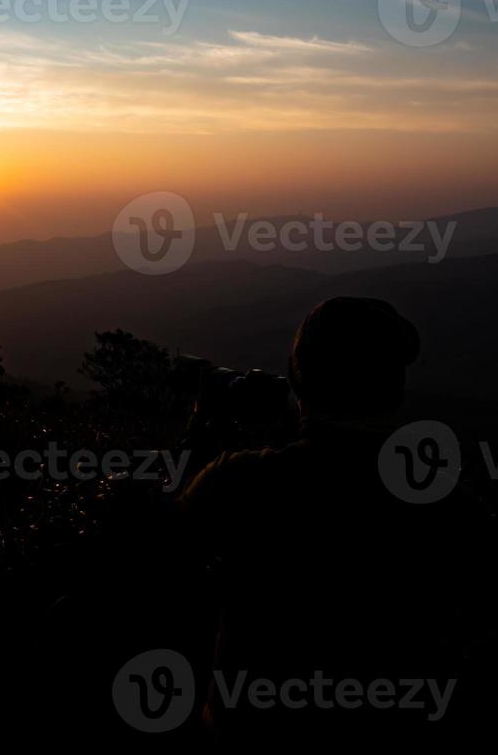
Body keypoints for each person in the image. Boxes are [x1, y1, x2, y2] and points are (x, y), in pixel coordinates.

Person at [181, 297, 462, 746]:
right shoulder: (443, 493)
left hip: (255, 737)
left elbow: (158, 561)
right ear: (396, 390)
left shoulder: (240, 482)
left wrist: (202, 427)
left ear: (295, 378)